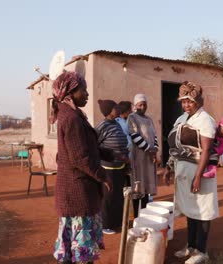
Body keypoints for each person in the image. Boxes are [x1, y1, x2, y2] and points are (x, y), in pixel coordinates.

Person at [51, 71, 113, 264]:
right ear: (70, 92)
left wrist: (110, 155)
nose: (87, 94)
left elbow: (85, 147)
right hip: (78, 193)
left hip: (76, 192)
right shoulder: (71, 119)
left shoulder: (74, 115)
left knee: (76, 250)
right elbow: (80, 157)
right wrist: (103, 176)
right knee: (81, 253)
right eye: (83, 90)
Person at [164, 81, 217, 264]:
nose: (186, 105)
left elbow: (207, 150)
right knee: (190, 210)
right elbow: (176, 146)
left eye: (190, 102)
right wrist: (169, 166)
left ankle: (201, 251)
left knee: (201, 211)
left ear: (198, 101)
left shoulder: (205, 120)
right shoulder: (182, 119)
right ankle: (191, 246)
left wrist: (198, 177)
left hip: (199, 173)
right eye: (183, 102)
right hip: (183, 171)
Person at [95, 99, 129, 235]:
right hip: (108, 167)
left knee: (118, 196)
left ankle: (116, 222)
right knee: (108, 196)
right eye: (115, 108)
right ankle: (105, 224)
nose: (118, 110)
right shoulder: (102, 126)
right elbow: (95, 144)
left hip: (120, 166)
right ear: (109, 111)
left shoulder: (116, 123)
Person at [127, 93, 159, 217]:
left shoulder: (149, 119)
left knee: (146, 187)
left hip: (149, 158)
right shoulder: (132, 117)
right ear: (135, 106)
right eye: (140, 105)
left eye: (144, 104)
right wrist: (149, 149)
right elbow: (134, 136)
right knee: (138, 185)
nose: (142, 107)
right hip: (139, 157)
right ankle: (136, 216)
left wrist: (155, 149)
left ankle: (144, 214)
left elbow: (154, 136)